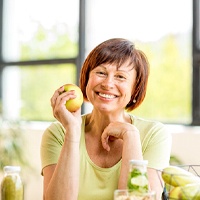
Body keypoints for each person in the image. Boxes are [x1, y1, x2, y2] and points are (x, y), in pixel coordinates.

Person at [40, 38, 172, 200]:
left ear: (135, 87)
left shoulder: (154, 134)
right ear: (87, 78)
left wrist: (130, 135)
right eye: (101, 73)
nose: (108, 83)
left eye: (120, 77)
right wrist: (72, 133)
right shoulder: (58, 133)